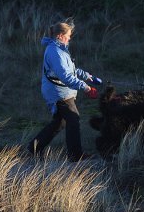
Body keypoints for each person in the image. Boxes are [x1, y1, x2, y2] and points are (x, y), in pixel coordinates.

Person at [27, 21, 102, 162]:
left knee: (60, 122)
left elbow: (71, 70)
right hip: (58, 93)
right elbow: (65, 76)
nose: (70, 38)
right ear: (60, 36)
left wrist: (88, 76)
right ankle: (75, 155)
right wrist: (86, 87)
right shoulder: (55, 52)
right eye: (68, 36)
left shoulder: (60, 49)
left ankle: (34, 148)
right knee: (73, 118)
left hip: (61, 90)